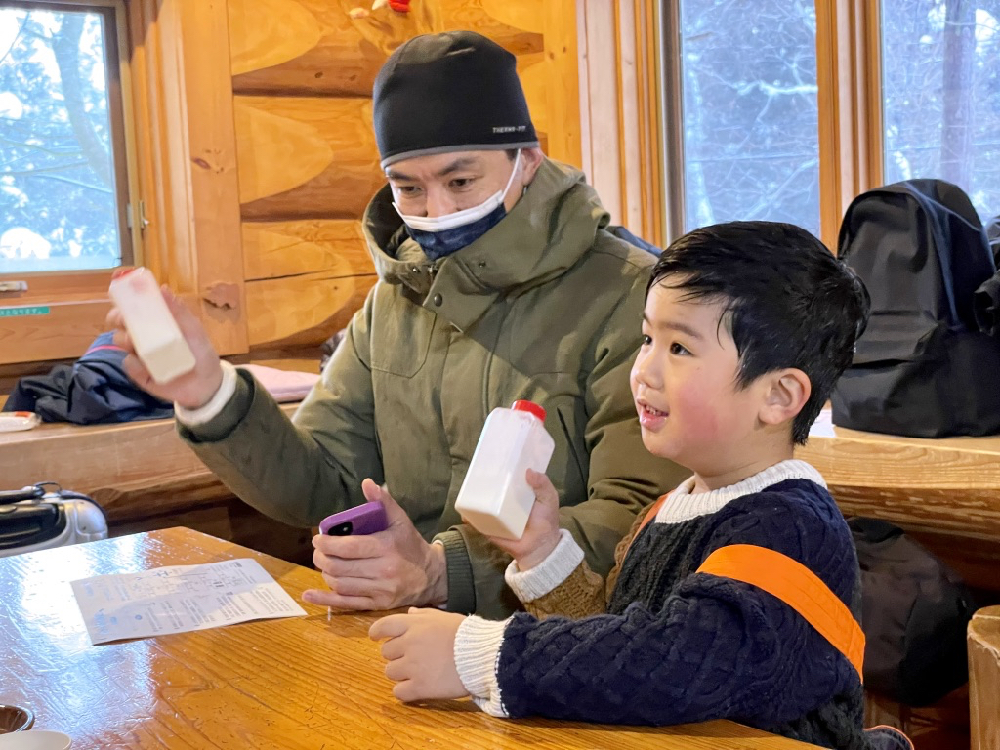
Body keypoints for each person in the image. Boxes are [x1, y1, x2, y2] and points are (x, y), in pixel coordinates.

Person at [106, 30, 686, 619]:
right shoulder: (395, 300)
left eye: (461, 182)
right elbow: (322, 483)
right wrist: (209, 395)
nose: (437, 213)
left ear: (527, 160)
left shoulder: (629, 292)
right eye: (409, 188)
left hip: (561, 651)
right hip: (414, 643)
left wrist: (442, 571)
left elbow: (641, 517)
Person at [369, 222, 912, 750]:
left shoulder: (790, 527)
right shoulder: (674, 507)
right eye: (648, 337)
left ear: (778, 396)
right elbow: (616, 640)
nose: (643, 370)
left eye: (679, 348)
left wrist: (482, 653)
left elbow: (674, 664)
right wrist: (542, 553)